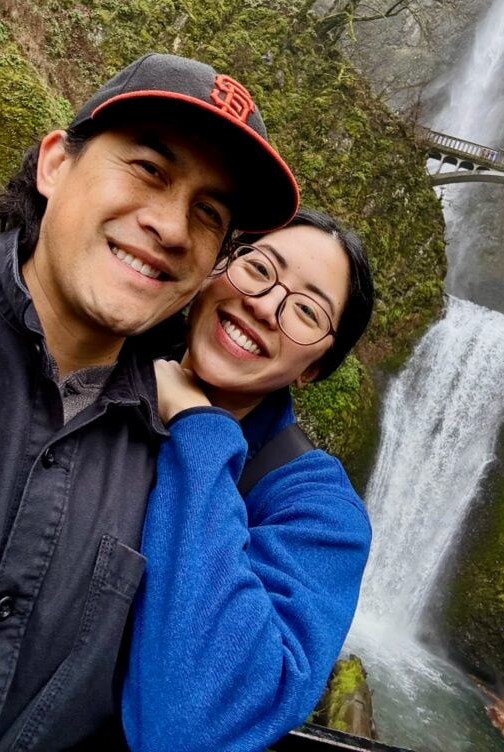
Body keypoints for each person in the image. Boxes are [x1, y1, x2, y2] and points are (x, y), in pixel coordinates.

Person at [0, 52, 299, 751]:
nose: (170, 227)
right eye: (149, 170)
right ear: (54, 165)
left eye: (208, 213)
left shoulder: (171, 474)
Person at [122, 208, 374, 752]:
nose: (262, 306)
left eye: (306, 311)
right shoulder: (95, 366)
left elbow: (191, 729)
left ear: (314, 370)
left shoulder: (320, 514)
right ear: (218, 269)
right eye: (259, 268)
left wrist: (200, 429)